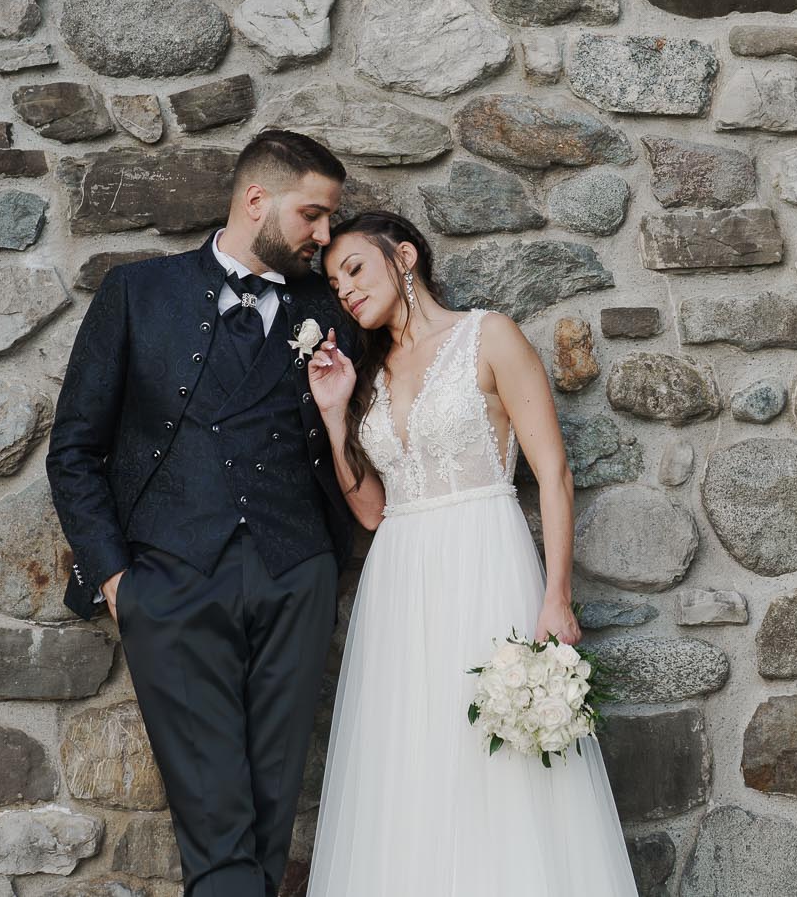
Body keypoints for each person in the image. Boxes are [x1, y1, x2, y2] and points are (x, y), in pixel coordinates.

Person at [46, 129, 363, 897]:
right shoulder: (137, 293)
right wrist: (119, 580)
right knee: (218, 824)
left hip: (296, 580)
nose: (325, 236)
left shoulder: (328, 307)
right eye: (312, 215)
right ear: (256, 200)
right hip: (170, 583)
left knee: (266, 817)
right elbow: (74, 449)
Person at [302, 208, 640, 896]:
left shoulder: (489, 336)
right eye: (336, 286)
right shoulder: (368, 373)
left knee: (500, 767)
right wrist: (336, 419)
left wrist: (556, 594)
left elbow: (553, 473)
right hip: (400, 580)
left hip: (483, 558)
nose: (347, 292)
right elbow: (371, 510)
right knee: (411, 766)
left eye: (356, 269)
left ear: (404, 255)